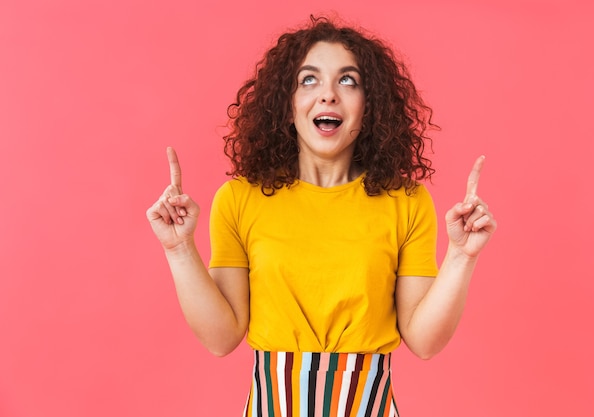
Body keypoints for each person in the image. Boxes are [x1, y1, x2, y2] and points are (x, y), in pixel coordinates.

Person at [147, 16, 496, 417]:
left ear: (371, 106)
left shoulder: (407, 201)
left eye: (348, 81)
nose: (328, 95)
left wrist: (462, 256)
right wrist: (178, 249)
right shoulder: (239, 199)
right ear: (286, 103)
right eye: (308, 80)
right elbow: (221, 338)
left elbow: (424, 341)